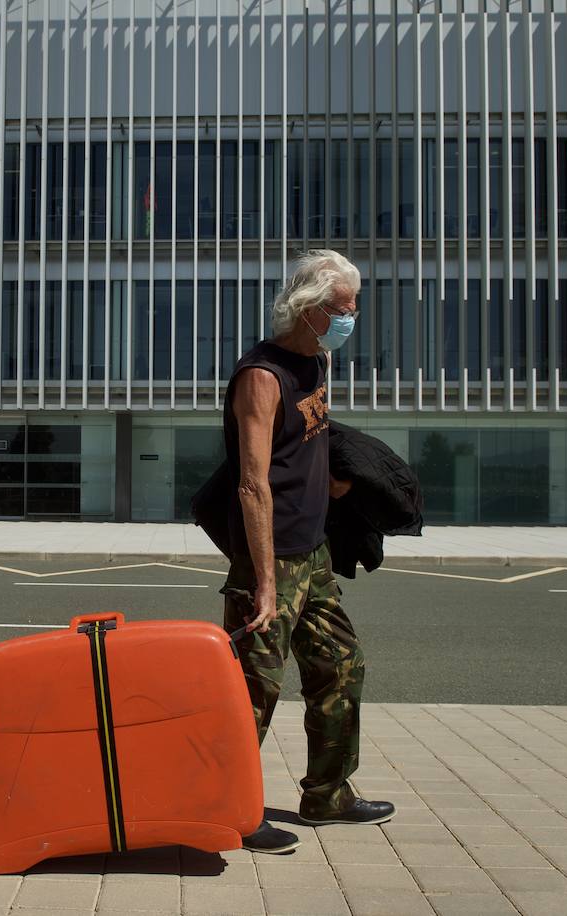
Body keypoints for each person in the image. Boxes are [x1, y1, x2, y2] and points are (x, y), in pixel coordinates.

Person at [221, 249, 394, 854]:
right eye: (346, 308)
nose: (353, 318)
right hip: (270, 560)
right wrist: (265, 583)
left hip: (314, 555)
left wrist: (343, 485)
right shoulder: (261, 377)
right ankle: (228, 813)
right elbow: (252, 482)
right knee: (250, 693)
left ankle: (328, 794)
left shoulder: (318, 362)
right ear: (314, 309)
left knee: (341, 666)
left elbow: (310, 446)